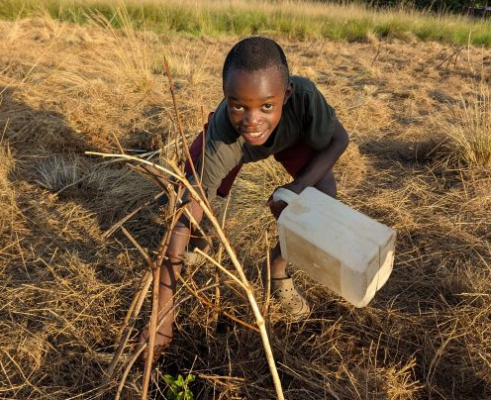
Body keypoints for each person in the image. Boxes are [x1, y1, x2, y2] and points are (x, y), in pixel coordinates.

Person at [138, 36, 349, 361]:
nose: (252, 120)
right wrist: (162, 315)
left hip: (290, 138)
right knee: (186, 195)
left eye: (266, 105)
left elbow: (338, 139)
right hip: (233, 145)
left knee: (324, 198)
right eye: (238, 105)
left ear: (286, 95)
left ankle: (277, 268)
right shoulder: (224, 135)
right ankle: (199, 245)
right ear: (225, 98)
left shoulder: (305, 99)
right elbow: (181, 216)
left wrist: (300, 187)